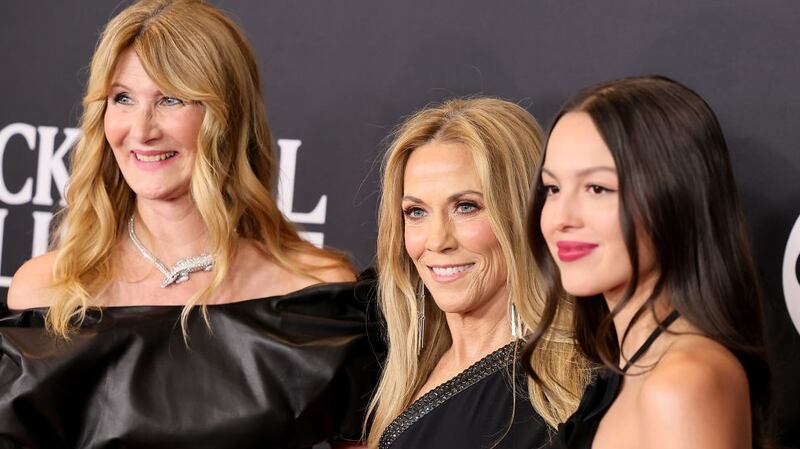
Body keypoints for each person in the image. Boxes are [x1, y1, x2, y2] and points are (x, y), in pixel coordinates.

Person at [0, 1, 382, 448]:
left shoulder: (315, 299)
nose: (141, 130)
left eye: (170, 99)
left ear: (227, 116)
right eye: (122, 98)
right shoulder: (45, 293)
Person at [524, 75, 771, 449]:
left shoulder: (684, 383)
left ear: (674, 198)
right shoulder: (634, 369)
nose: (561, 217)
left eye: (597, 188)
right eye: (553, 188)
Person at [366, 98, 591, 449]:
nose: (437, 241)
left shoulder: (579, 387)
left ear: (522, 215)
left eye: (466, 207)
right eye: (416, 212)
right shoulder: (403, 371)